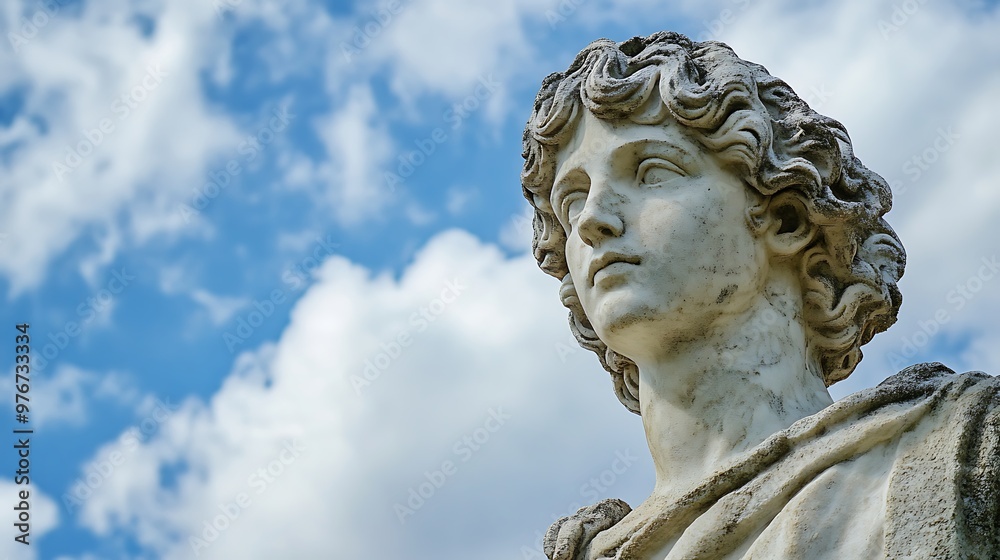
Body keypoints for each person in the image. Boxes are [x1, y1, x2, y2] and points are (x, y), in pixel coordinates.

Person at [520, 31, 999, 559]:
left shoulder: (960, 452)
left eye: (653, 171)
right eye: (571, 201)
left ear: (785, 216)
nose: (591, 221)